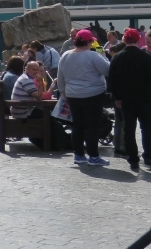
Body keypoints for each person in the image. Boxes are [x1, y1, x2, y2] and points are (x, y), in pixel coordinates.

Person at [57, 29, 111, 166]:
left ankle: (79, 154)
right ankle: (93, 155)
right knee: (92, 125)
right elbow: (106, 70)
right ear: (88, 42)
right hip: (93, 93)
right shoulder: (93, 56)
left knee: (78, 125)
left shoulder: (65, 55)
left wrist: (63, 92)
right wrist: (103, 55)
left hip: (72, 94)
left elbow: (60, 77)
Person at [109, 28, 151, 172]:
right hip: (145, 99)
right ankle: (149, 156)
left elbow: (112, 80)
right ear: (138, 40)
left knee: (129, 129)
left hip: (125, 99)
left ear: (125, 40)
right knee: (147, 128)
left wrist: (116, 97)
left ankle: (133, 159)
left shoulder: (118, 57)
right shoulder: (146, 56)